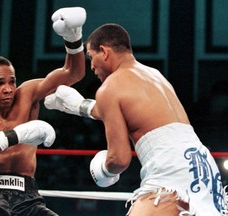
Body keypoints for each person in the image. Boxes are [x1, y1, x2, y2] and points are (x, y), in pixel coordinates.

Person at [44, 23, 228, 215]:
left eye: (91, 57)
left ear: (105, 52)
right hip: (203, 168)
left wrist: (104, 170)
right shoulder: (154, 75)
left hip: (170, 174)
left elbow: (119, 159)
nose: (91, 66)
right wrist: (79, 106)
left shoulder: (110, 87)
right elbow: (133, 112)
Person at [0, 7, 86, 216]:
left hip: (28, 198)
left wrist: (73, 39)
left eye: (11, 81)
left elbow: (74, 73)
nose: (8, 89)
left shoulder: (28, 94)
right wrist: (17, 135)